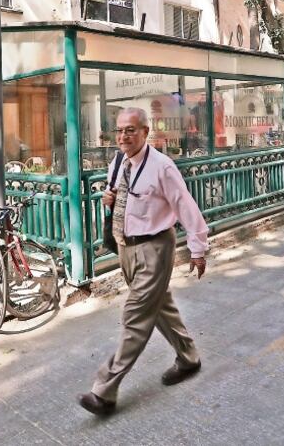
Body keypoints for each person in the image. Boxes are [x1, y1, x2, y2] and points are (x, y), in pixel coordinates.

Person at [78, 107, 209, 417]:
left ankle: (104, 391)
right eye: (120, 130)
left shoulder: (162, 167)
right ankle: (189, 358)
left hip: (154, 249)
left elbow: (185, 205)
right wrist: (108, 199)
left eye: (131, 130)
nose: (123, 136)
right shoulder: (119, 161)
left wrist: (198, 248)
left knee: (135, 316)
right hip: (127, 248)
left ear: (145, 132)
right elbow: (119, 196)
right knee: (159, 306)